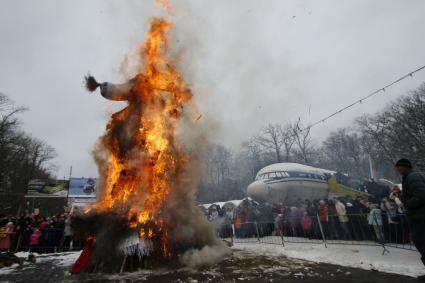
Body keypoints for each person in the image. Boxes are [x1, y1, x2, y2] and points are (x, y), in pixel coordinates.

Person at [395, 158, 425, 274]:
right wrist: (401, 195)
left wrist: (407, 204)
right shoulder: (411, 177)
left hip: (420, 217)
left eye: (398, 167)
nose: (396, 169)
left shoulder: (413, 177)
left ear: (404, 166)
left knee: (422, 243)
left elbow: (422, 195)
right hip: (418, 216)